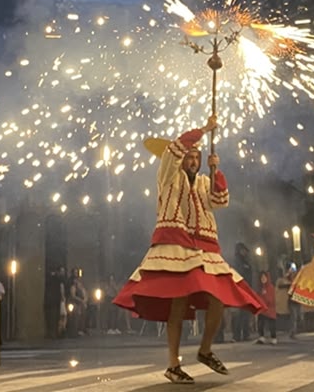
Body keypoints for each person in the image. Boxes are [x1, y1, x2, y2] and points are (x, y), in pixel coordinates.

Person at [113, 116, 265, 385]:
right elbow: (174, 149)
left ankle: (205, 350)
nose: (193, 161)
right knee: (178, 305)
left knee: (218, 299)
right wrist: (203, 130)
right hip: (175, 242)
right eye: (189, 156)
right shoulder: (168, 175)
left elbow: (220, 201)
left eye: (197, 157)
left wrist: (216, 172)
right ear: (181, 158)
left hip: (205, 248)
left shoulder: (205, 182)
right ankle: (173, 365)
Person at [255, 271, 277, 345]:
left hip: (270, 308)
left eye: (264, 277)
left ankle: (273, 337)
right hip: (262, 308)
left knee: (272, 324)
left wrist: (266, 298)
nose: (263, 279)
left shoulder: (270, 287)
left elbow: (271, 298)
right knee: (260, 323)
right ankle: (261, 337)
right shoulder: (260, 288)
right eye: (262, 278)